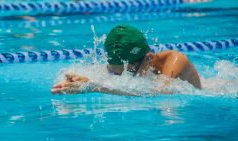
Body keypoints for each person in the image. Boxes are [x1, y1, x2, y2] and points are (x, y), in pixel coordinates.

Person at [51, 25, 201, 95]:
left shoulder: (176, 62)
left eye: (127, 72)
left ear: (148, 59)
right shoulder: (127, 65)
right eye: (114, 72)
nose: (122, 77)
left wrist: (95, 87)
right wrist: (84, 81)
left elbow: (159, 94)